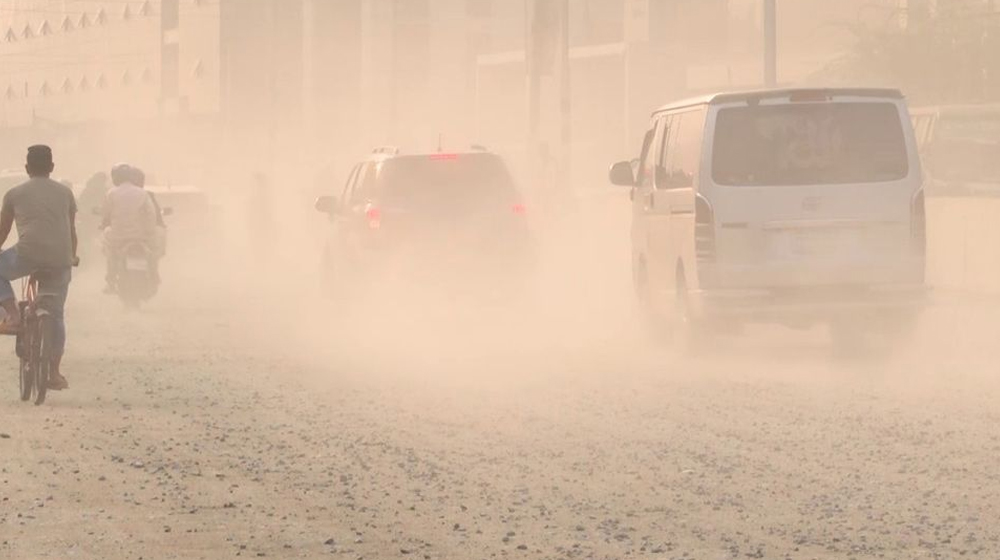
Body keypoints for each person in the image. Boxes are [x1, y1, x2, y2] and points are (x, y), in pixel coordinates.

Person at [0, 145, 78, 391]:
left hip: (27, 256)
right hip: (60, 259)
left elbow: (2, 231)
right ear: (52, 167)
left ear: (26, 168)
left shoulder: (13, 194)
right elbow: (71, 231)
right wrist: (72, 256)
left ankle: (12, 315)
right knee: (56, 314)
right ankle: (54, 373)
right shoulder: (66, 193)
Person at [101, 163, 158, 293]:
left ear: (115, 178)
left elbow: (106, 214)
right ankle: (153, 276)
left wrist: (104, 224)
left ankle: (110, 281)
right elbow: (151, 214)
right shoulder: (142, 193)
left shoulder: (111, 193)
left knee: (109, 251)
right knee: (152, 253)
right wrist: (149, 231)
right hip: (141, 236)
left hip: (117, 236)